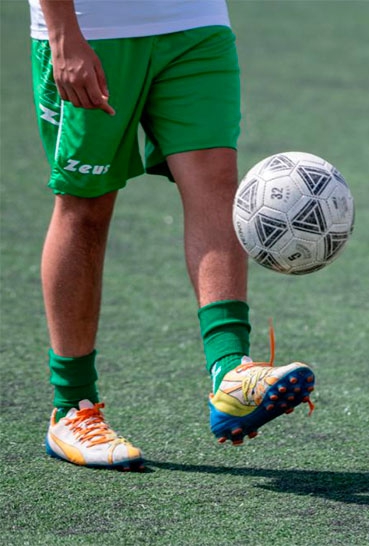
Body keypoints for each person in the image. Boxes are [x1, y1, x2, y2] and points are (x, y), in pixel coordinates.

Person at [30, 0, 315, 470]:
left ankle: (230, 373)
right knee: (86, 205)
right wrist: (64, 33)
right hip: (93, 26)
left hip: (195, 20)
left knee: (217, 181)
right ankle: (72, 407)